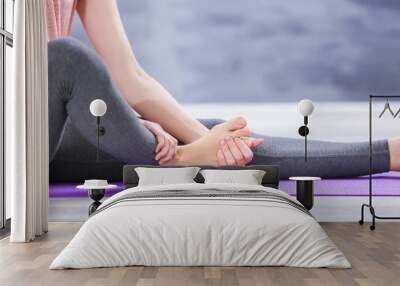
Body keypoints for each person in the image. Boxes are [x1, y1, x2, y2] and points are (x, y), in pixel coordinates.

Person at [47, 0, 400, 181]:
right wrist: (193, 149)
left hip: (55, 123)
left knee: (217, 132)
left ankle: (391, 152)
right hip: (22, 142)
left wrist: (210, 140)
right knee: (67, 57)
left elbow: (132, 77)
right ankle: (183, 162)